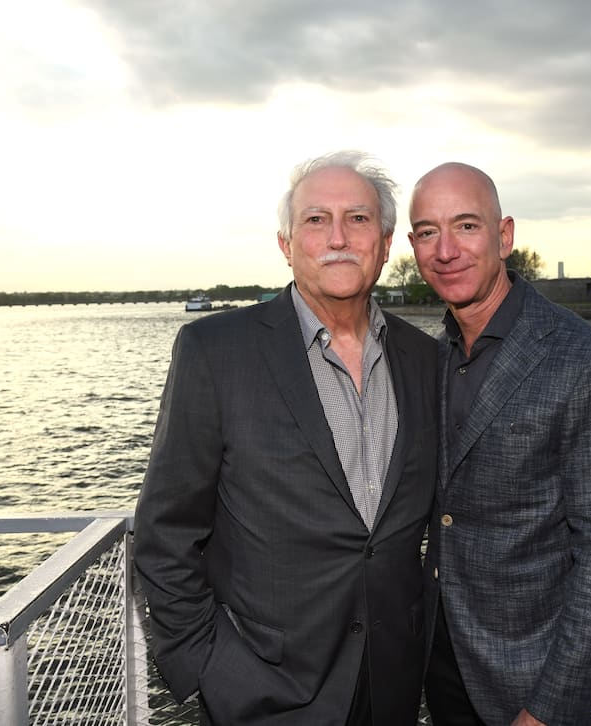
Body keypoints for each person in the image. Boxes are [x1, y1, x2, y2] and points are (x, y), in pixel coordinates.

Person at [134, 151, 438, 725]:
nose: (338, 237)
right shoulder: (214, 351)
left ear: (385, 243)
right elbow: (166, 530)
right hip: (261, 690)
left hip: (392, 681)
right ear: (286, 245)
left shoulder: (425, 358)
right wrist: (206, 667)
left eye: (358, 218)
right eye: (316, 220)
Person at [408, 162, 591, 726]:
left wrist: (550, 709)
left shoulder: (588, 360)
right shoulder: (431, 356)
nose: (445, 250)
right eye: (427, 232)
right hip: (446, 665)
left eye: (466, 226)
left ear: (504, 236)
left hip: (541, 679)